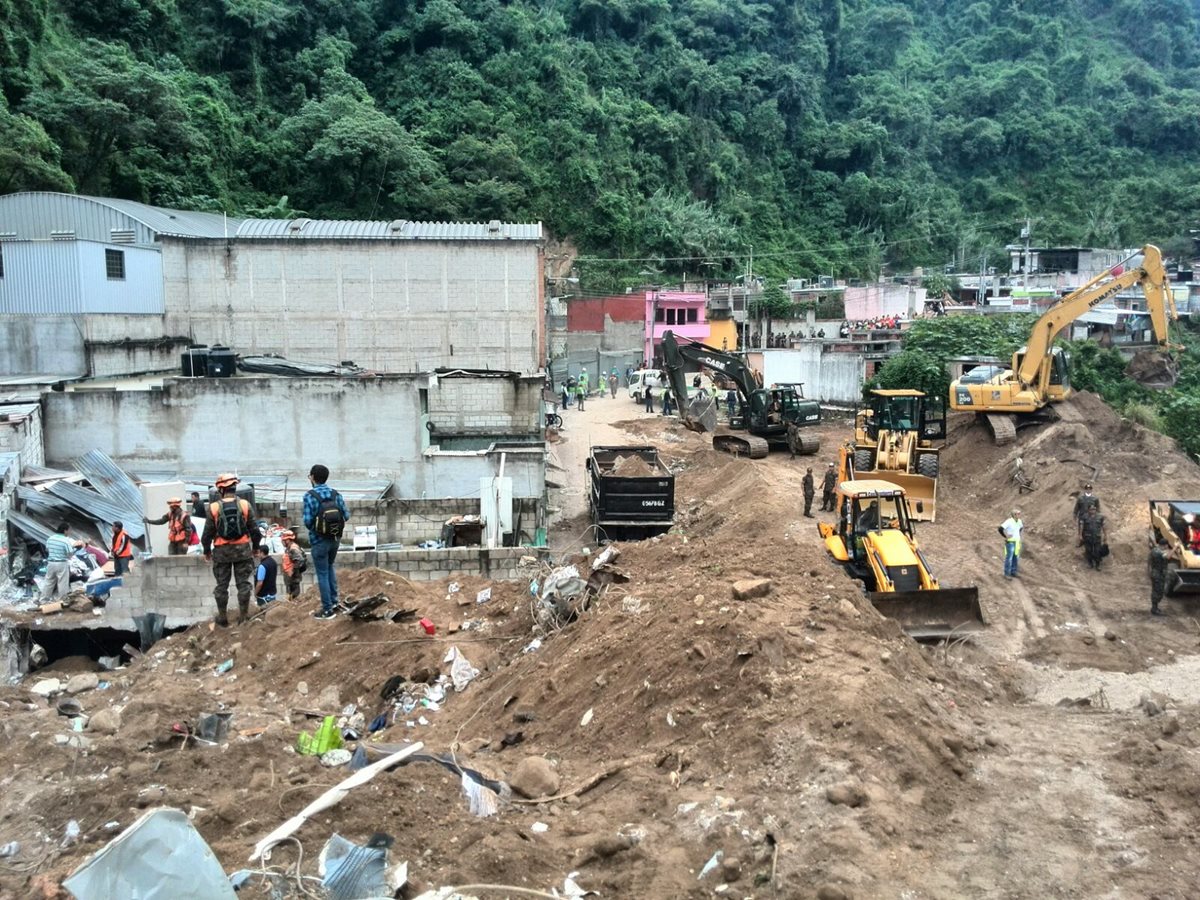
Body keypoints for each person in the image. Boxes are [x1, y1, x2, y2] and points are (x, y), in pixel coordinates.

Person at [201, 473, 260, 626]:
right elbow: (255, 530)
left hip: (222, 553)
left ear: (220, 489)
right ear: (235, 487)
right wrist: (256, 548)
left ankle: (222, 618)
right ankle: (244, 617)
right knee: (244, 585)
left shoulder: (213, 508)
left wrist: (207, 551)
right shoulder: (245, 505)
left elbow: (207, 534)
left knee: (222, 586)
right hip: (243, 551)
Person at [304, 463, 350, 620]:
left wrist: (319, 527)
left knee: (322, 573)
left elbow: (307, 521)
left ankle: (327, 609)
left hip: (318, 540)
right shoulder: (336, 494)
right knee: (330, 567)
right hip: (335, 539)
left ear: (313, 477)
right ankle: (335, 602)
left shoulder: (309, 496)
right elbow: (347, 515)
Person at [41, 522, 83, 604]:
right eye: (69, 530)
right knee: (62, 582)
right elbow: (70, 554)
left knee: (49, 582)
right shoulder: (65, 540)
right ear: (65, 530)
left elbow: (47, 550)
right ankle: (63, 601)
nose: (69, 532)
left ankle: (43, 600)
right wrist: (75, 549)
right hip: (61, 563)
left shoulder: (50, 538)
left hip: (51, 563)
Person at [1148, 534, 1178, 617]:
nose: (1167, 547)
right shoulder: (1159, 552)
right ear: (1164, 545)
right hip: (1158, 574)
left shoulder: (1155, 550)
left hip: (1155, 573)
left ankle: (1155, 608)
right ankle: (1154, 609)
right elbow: (1168, 556)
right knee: (1158, 591)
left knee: (1156, 590)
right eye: (1166, 546)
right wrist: (1175, 548)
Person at [281, 529, 307, 601]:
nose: (283, 542)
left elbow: (299, 560)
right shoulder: (289, 548)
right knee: (290, 594)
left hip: (293, 576)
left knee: (294, 594)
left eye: (284, 540)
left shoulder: (293, 548)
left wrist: (292, 571)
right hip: (290, 576)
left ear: (288, 540)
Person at [1080, 505, 1107, 570]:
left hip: (1097, 537)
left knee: (1097, 551)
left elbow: (1103, 527)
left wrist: (1105, 535)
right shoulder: (1084, 517)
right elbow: (1081, 527)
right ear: (1088, 510)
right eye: (1091, 509)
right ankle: (1090, 564)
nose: (1093, 510)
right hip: (1088, 537)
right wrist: (1080, 535)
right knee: (1088, 551)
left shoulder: (1100, 517)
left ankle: (1097, 565)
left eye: (1094, 509)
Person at [999, 509, 1024, 578]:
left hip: (1017, 542)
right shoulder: (1009, 521)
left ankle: (1013, 572)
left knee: (1015, 557)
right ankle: (1007, 573)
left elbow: (1021, 528)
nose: (1020, 515)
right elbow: (1000, 528)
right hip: (1010, 542)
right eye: (1018, 514)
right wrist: (1006, 536)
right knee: (1009, 558)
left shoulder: (1019, 521)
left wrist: (1017, 534)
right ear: (1014, 515)